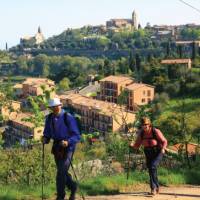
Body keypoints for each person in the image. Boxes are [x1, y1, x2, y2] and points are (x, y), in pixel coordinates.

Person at [42, 97, 81, 200]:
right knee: (61, 171)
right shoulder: (49, 118)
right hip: (57, 147)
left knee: (60, 172)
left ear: (60, 106)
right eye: (53, 107)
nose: (55, 109)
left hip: (68, 147)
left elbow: (77, 135)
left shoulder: (68, 117)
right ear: (50, 108)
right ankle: (73, 187)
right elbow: (47, 132)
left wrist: (68, 142)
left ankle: (60, 196)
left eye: (56, 106)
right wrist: (45, 138)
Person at [130, 117, 167, 195]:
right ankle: (154, 188)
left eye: (146, 124)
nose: (145, 126)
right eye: (143, 125)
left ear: (149, 124)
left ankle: (155, 187)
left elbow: (164, 141)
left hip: (158, 152)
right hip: (148, 152)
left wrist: (163, 149)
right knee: (151, 169)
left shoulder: (155, 131)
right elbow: (137, 145)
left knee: (152, 166)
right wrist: (132, 145)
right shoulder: (141, 133)